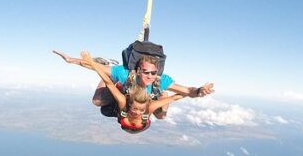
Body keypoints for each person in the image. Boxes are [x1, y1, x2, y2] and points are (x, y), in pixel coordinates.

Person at [53, 49, 214, 119]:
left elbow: (188, 90)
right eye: (146, 72)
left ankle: (162, 94)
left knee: (161, 115)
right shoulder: (124, 73)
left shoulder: (161, 80)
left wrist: (199, 90)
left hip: (145, 99)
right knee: (98, 101)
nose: (151, 76)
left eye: (153, 73)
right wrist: (71, 60)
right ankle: (111, 67)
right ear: (137, 71)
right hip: (122, 89)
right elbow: (94, 66)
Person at [58, 51, 190, 133]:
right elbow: (177, 96)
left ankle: (161, 93)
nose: (136, 113)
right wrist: (82, 62)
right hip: (134, 94)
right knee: (161, 116)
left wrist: (198, 91)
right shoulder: (127, 80)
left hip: (133, 101)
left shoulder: (125, 107)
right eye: (137, 111)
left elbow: (180, 95)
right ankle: (161, 93)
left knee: (99, 103)